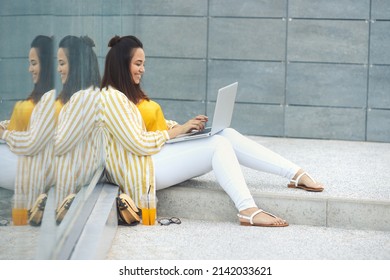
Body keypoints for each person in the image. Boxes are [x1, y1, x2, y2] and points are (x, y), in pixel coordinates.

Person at [100, 35, 324, 227]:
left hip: (151, 159)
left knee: (225, 134)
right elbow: (138, 142)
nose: (143, 69)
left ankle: (296, 174)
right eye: (138, 64)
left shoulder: (124, 96)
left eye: (143, 64)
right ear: (122, 64)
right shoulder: (111, 98)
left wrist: (183, 127)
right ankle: (247, 209)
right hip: (142, 171)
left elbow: (145, 126)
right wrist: (178, 132)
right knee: (218, 145)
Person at [0, 35, 56, 225]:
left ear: (46, 65)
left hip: (26, 170)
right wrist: (6, 126)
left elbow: (32, 140)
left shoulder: (41, 103)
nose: (29, 69)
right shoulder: (48, 101)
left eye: (34, 63)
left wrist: (5, 133)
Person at [54, 35, 102, 224]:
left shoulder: (83, 99)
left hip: (70, 196)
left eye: (62, 63)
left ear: (76, 66)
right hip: (74, 193)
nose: (59, 69)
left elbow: (58, 144)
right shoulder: (91, 95)